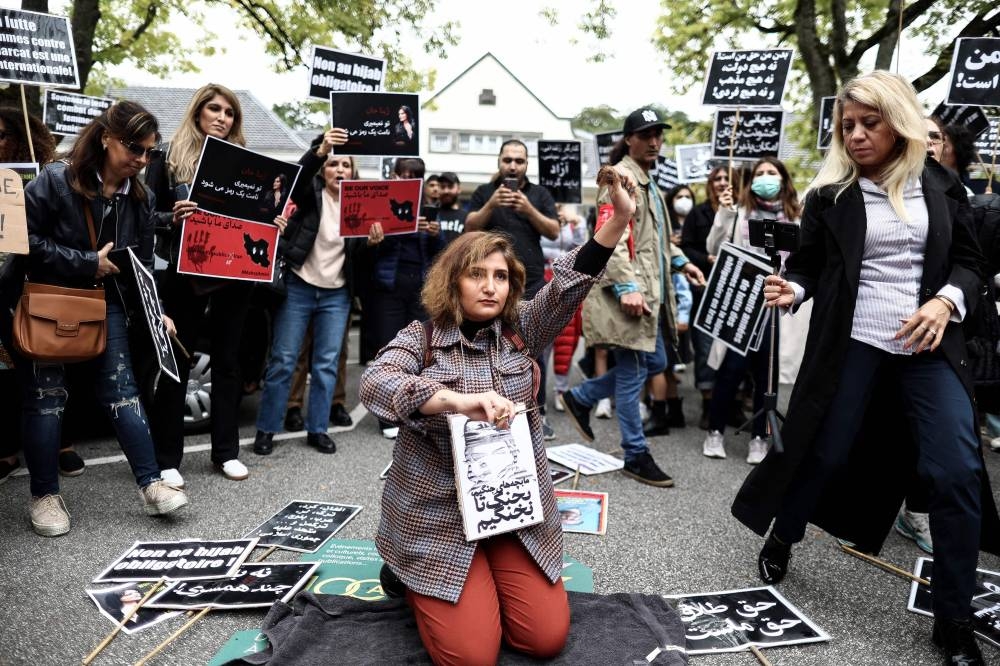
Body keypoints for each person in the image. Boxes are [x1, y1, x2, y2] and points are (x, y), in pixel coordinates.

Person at [732, 71, 1000, 666]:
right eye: (847, 126)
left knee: (955, 472)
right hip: (851, 346)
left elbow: (970, 264)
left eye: (869, 123)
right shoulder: (832, 198)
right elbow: (809, 267)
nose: (855, 135)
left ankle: (954, 620)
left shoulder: (941, 185)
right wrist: (792, 289)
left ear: (898, 121)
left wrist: (944, 300)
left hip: (928, 353)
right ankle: (786, 530)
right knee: (824, 455)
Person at [360, 163, 638, 665]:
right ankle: (404, 570)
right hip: (436, 516)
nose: (490, 287)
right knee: (472, 658)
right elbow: (376, 383)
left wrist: (617, 220)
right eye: (477, 275)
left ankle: (485, 570)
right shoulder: (419, 339)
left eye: (501, 277)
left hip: (509, 512)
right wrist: (456, 402)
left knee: (544, 639)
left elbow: (569, 283)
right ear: (452, 282)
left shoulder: (521, 332)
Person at [11, 101, 189, 536]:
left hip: (106, 303)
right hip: (50, 299)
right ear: (106, 136)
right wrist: (85, 262)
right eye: (135, 148)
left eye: (149, 152)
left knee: (124, 393)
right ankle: (44, 496)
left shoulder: (140, 198)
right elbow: (24, 239)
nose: (142, 160)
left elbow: (143, 264)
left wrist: (156, 311)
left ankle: (151, 485)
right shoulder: (55, 179)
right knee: (46, 398)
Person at [562, 107, 705, 487]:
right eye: (646, 135)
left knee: (653, 360)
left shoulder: (648, 182)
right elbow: (613, 239)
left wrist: (681, 263)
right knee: (635, 371)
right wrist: (626, 288)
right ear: (629, 140)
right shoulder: (621, 179)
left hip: (651, 294)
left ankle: (582, 395)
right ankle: (636, 453)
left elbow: (654, 241)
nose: (655, 141)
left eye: (658, 134)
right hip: (632, 294)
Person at [144, 83, 251, 485]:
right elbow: (143, 215)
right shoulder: (167, 158)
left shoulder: (245, 165)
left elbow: (254, 221)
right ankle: (167, 457)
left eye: (229, 112)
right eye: (215, 109)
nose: (222, 117)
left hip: (236, 276)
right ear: (197, 112)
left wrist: (273, 222)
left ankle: (225, 453)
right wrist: (171, 217)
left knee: (228, 363)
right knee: (176, 362)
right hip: (183, 273)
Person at [252, 129, 356, 456]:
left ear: (353, 172)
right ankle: (267, 428)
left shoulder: (363, 204)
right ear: (324, 169)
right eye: (333, 165)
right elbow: (297, 178)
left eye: (346, 166)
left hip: (337, 294)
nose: (339, 170)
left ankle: (318, 429)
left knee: (325, 364)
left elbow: (364, 257)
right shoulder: (310, 192)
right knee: (283, 360)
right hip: (299, 285)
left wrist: (375, 240)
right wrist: (320, 151)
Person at [701, 157, 800, 464]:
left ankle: (759, 437)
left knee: (765, 374)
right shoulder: (738, 213)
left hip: (774, 305)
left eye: (772, 173)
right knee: (731, 370)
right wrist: (725, 213)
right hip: (742, 303)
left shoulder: (795, 216)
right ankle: (714, 432)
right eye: (760, 173)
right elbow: (712, 247)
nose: (766, 178)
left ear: (783, 179)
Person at [0, 107, 79, 483]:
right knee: (6, 374)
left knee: (51, 367)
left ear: (20, 137)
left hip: (36, 286)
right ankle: (7, 448)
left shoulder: (48, 176)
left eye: (2, 135)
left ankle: (61, 445)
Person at [466, 140, 561, 437]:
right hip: (492, 281)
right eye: (507, 159)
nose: (512, 165)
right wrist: (492, 204)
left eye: (519, 161)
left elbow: (554, 231)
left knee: (534, 348)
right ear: (498, 161)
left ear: (527, 164)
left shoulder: (539, 194)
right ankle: (491, 409)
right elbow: (469, 227)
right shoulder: (485, 192)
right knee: (488, 345)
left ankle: (537, 412)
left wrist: (529, 208)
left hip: (530, 281)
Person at [357, 157, 444, 439]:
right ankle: (386, 417)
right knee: (387, 349)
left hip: (418, 287)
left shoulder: (427, 209)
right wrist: (395, 226)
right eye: (403, 173)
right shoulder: (380, 204)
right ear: (393, 175)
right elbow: (366, 252)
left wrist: (434, 235)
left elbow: (438, 256)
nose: (408, 178)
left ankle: (412, 408)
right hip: (387, 286)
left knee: (420, 350)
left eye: (415, 174)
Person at [680, 166, 730, 429]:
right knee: (705, 348)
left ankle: (731, 403)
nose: (722, 183)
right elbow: (686, 246)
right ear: (710, 184)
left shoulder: (741, 213)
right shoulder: (697, 213)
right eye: (717, 179)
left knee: (732, 352)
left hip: (735, 293)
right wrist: (705, 258)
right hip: (706, 289)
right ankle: (708, 403)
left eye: (726, 179)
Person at [542, 204, 587, 412]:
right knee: (540, 345)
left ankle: (561, 390)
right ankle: (535, 392)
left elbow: (582, 248)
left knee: (566, 344)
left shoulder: (574, 220)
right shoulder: (538, 214)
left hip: (567, 289)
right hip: (541, 286)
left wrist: (576, 222)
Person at [436, 171, 466, 248]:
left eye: (450, 186)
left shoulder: (467, 216)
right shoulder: (432, 214)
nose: (446, 191)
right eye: (442, 187)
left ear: (459, 189)